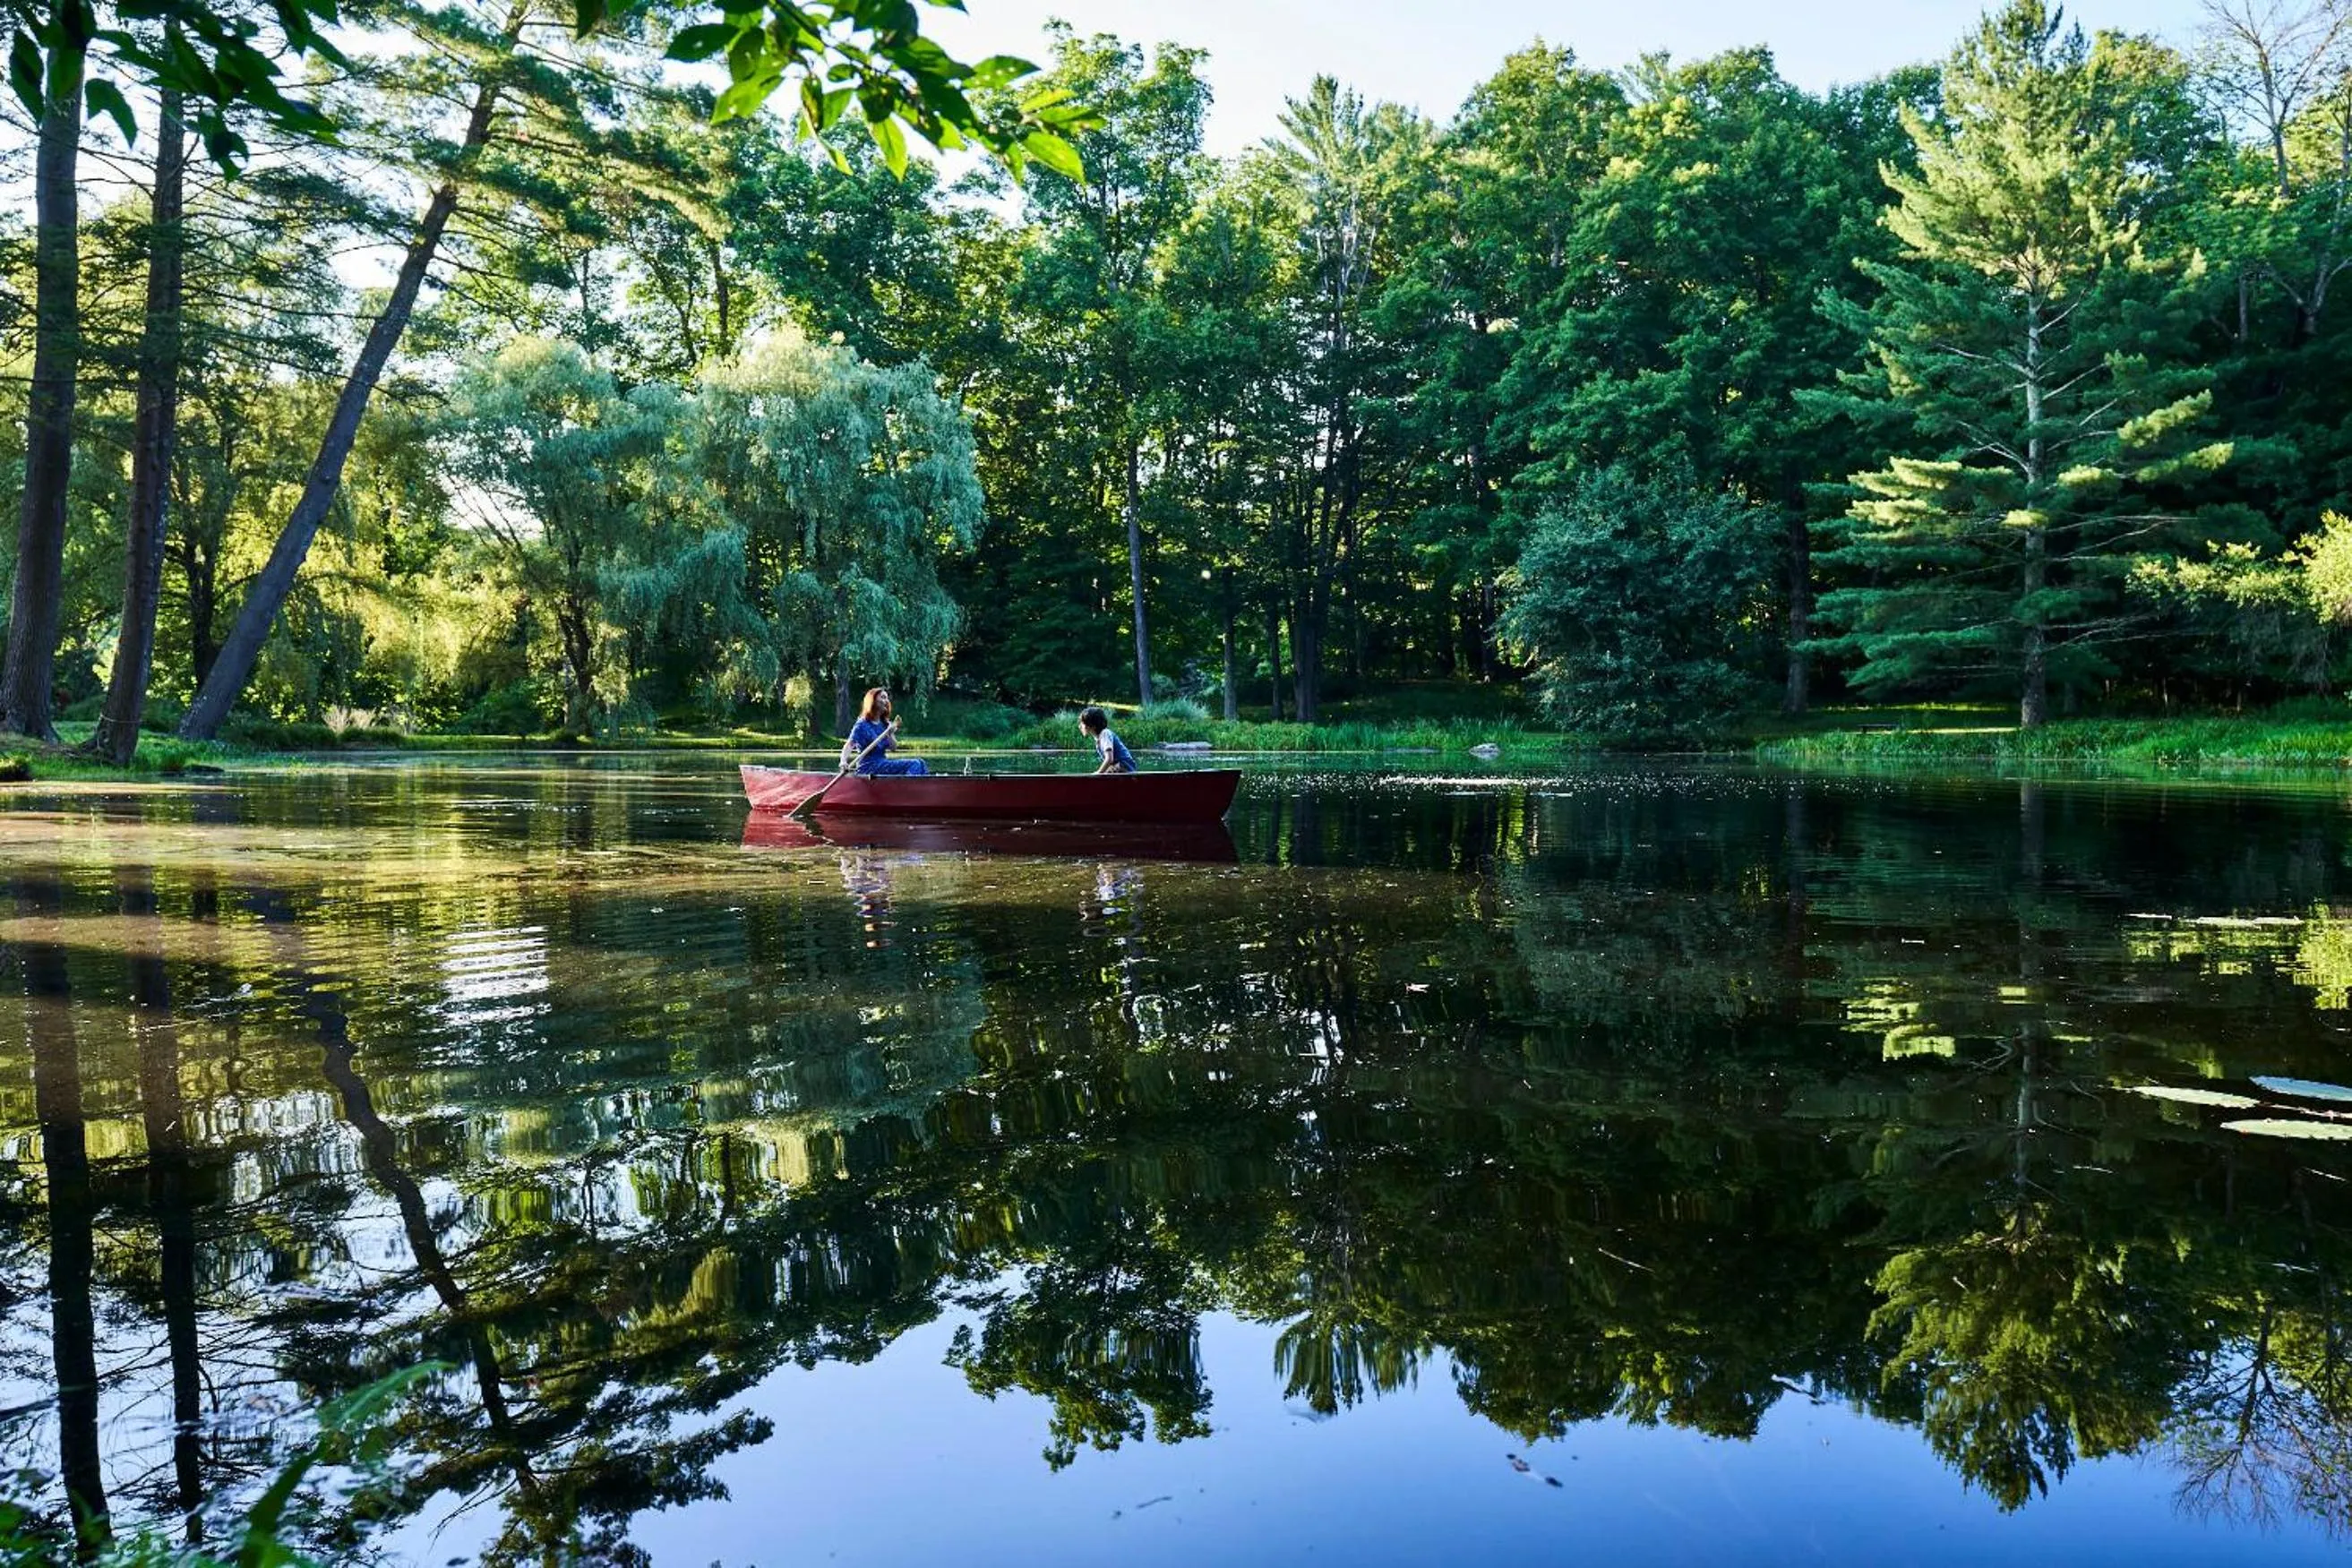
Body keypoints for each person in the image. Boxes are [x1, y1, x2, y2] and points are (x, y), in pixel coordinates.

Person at [846, 688, 929, 776]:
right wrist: (843, 762)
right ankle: (908, 788)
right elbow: (850, 744)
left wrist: (890, 733)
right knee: (914, 764)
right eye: (883, 697)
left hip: (882, 763)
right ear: (872, 700)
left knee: (921, 763)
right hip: (868, 767)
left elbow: (893, 748)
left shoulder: (885, 724)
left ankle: (921, 787)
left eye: (887, 698)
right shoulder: (862, 724)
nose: (886, 701)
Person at [1077, 706, 1137, 774]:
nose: (1080, 726)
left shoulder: (1105, 734)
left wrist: (1098, 773)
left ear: (1093, 726)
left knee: (1101, 774)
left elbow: (1109, 759)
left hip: (1124, 766)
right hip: (1119, 766)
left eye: (1082, 723)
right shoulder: (1099, 738)